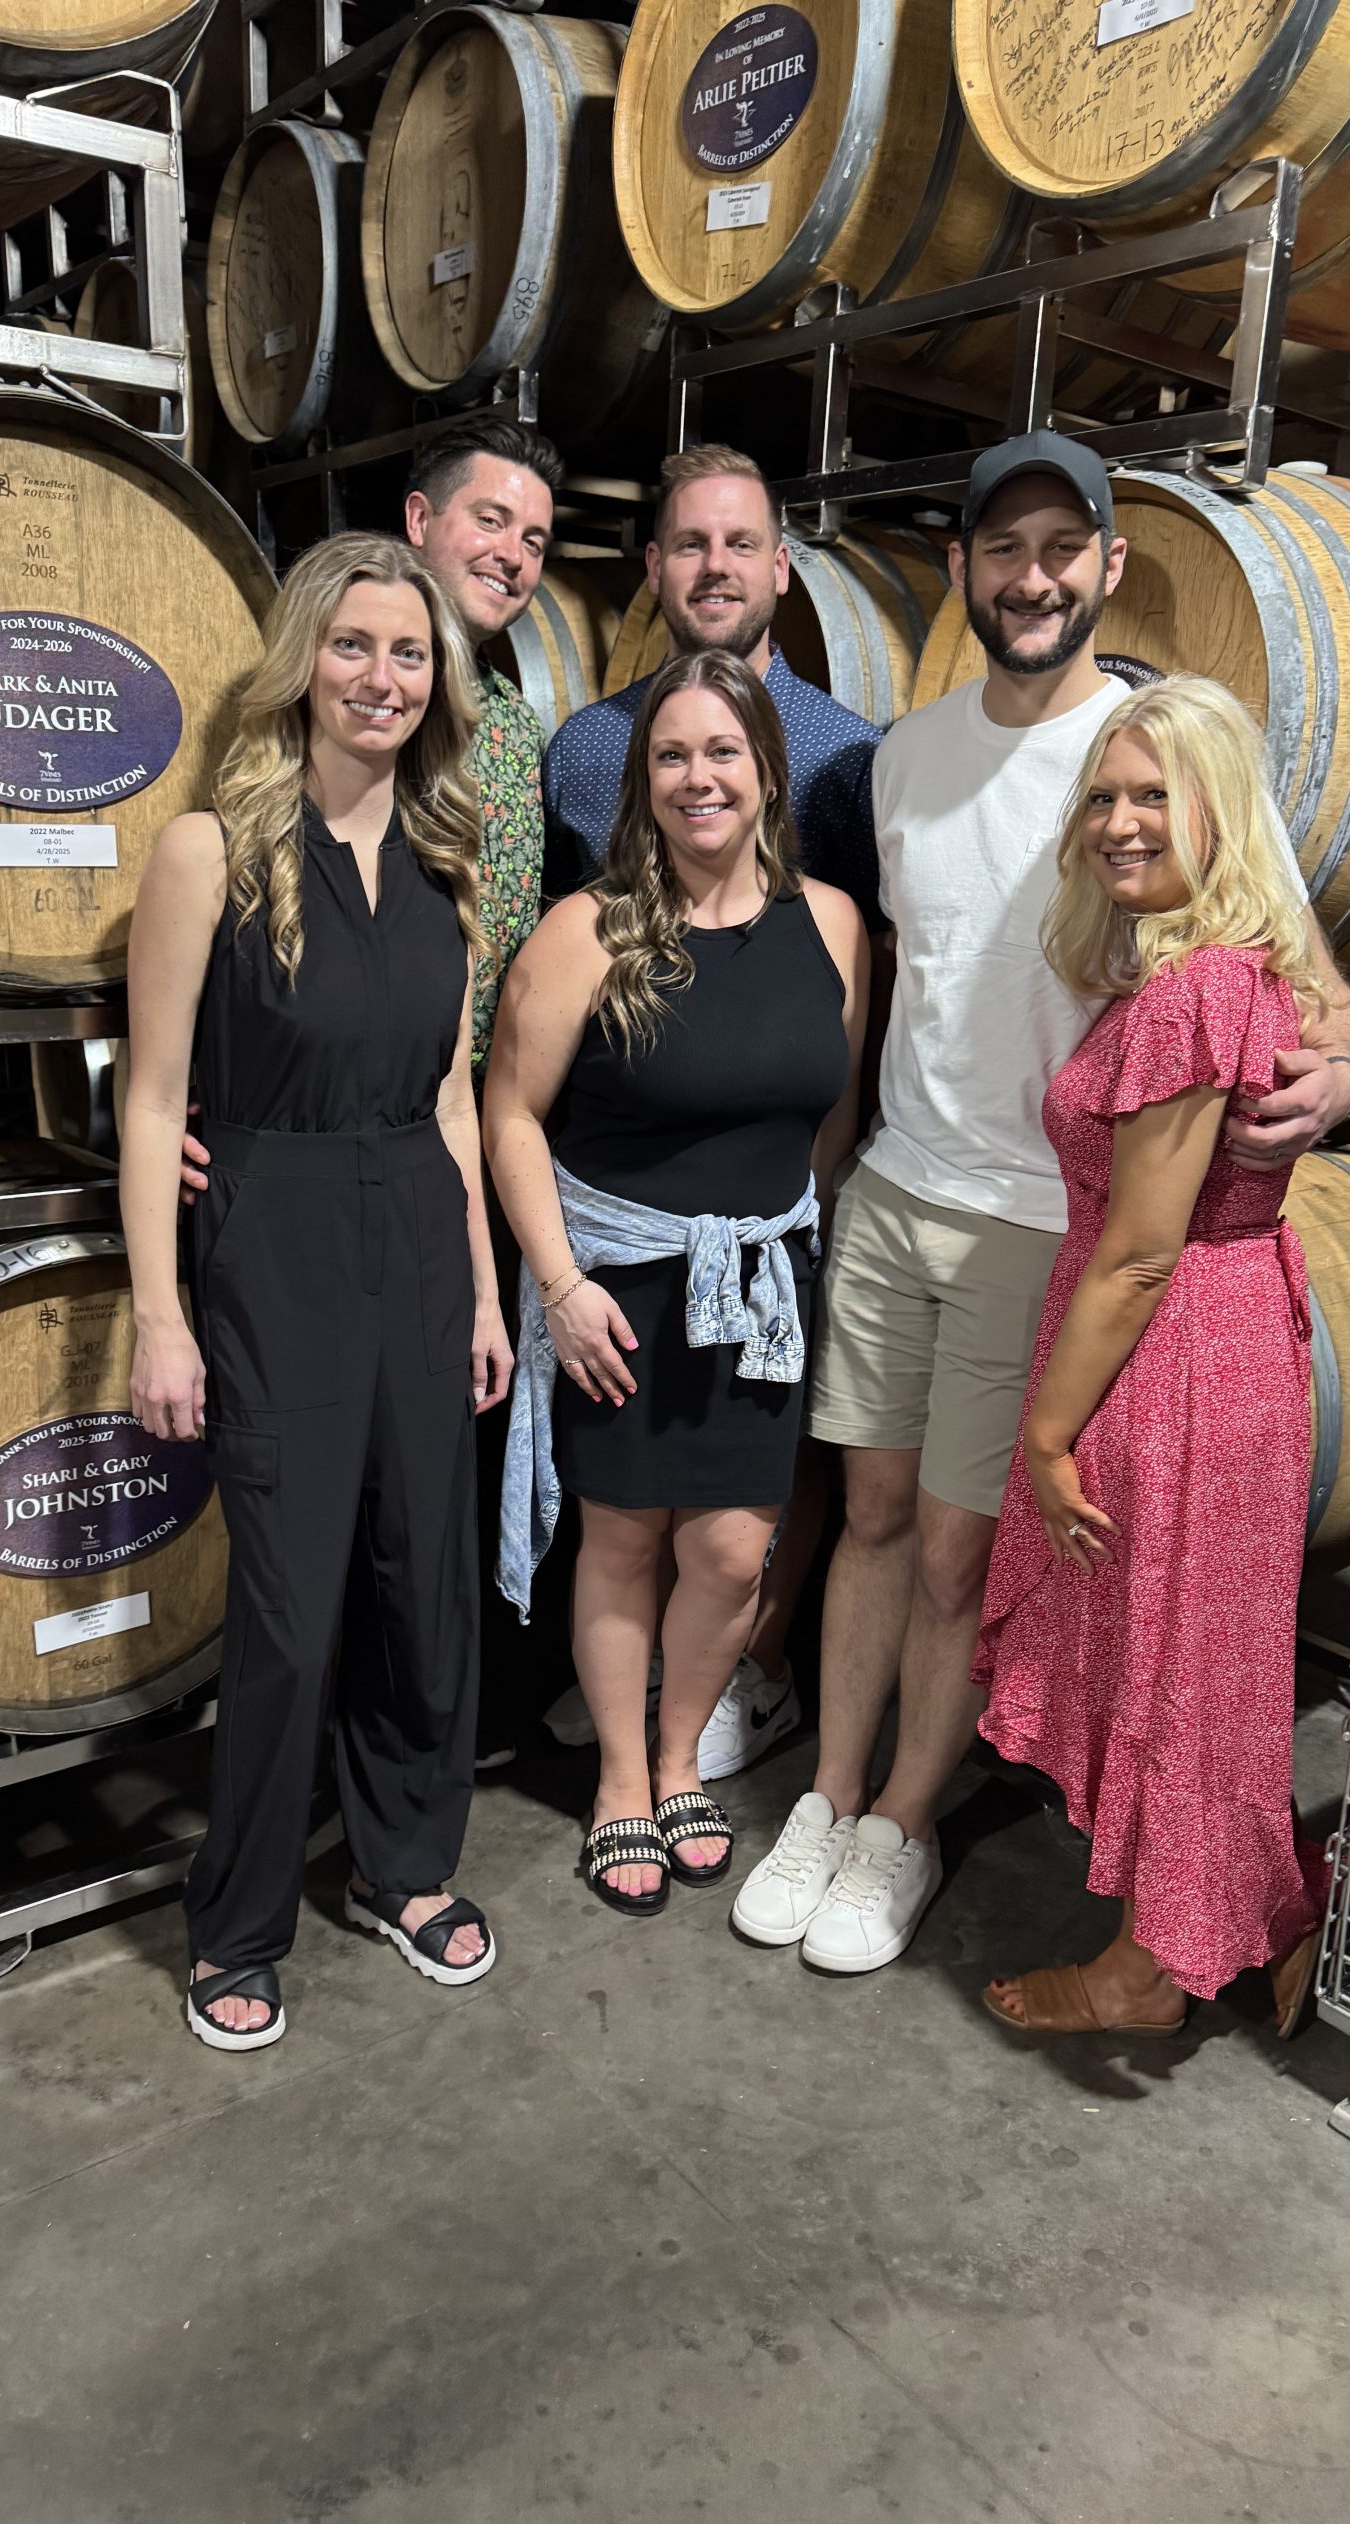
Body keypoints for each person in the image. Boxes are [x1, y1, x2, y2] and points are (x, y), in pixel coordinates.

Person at [732, 430, 1350, 1975]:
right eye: (1002, 551)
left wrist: (1341, 1065)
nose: (1032, 578)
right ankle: (825, 1796)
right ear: (960, 572)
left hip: (1043, 1224)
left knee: (962, 1552)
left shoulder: (1158, 746)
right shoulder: (898, 756)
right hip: (896, 1190)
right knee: (869, 1518)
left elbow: (1300, 964)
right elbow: (890, 985)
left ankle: (905, 1822)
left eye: (1061, 549)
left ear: (1108, 566)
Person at [124, 532, 512, 2052]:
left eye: (409, 654)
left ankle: (406, 1870)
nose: (382, 677)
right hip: (271, 1232)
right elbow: (155, 1101)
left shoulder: (446, 862)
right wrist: (161, 1313)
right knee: (288, 1612)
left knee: (425, 1580)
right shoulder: (208, 852)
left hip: (418, 1231)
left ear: (440, 680)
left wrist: (480, 1295)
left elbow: (456, 1106)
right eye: (353, 646)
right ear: (301, 662)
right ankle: (238, 1920)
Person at [178, 420, 564, 1770]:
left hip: (434, 1149)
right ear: (418, 521)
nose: (511, 553)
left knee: (425, 1548)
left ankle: (409, 1829)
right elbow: (186, 1006)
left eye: (535, 537)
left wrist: (482, 1267)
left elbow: (477, 1052)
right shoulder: (244, 803)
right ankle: (268, 1861)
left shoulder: (495, 764)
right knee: (297, 1563)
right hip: (293, 1174)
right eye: (489, 522)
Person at [974, 676, 1328, 2037]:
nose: (1121, 824)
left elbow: (1135, 1252)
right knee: (1208, 1657)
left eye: (1153, 797)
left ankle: (1151, 1970)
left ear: (1216, 812)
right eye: (1105, 798)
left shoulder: (1194, 990)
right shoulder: (1237, 965)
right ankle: (1268, 1903)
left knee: (1177, 1662)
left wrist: (1047, 1435)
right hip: (1229, 1340)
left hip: (1173, 1354)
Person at [488, 650, 867, 1912]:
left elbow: (832, 1112)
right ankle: (619, 1785)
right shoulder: (586, 931)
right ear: (640, 781)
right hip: (622, 1295)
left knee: (731, 1552)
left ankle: (680, 1751)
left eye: (722, 752)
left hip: (758, 1293)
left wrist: (777, 1243)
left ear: (767, 767)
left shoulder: (831, 923)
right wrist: (558, 1280)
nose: (698, 778)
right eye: (671, 755)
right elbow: (511, 1114)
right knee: (622, 1542)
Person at [540, 443, 884, 1772]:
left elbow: (858, 974)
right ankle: (648, 1679)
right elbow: (562, 952)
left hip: (771, 1164)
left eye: (741, 544)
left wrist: (817, 1181)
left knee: (763, 1468)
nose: (716, 567)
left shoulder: (848, 755)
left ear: (782, 567)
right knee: (630, 1481)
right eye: (689, 544)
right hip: (627, 1174)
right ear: (654, 568)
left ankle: (754, 1664)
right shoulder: (585, 747)